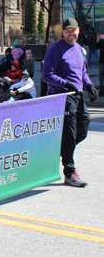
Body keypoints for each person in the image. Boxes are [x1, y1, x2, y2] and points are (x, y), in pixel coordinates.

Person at [42, 17, 97, 187]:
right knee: (69, 134)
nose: (71, 34)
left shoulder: (79, 49)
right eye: (68, 31)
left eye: (73, 31)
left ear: (78, 31)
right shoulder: (55, 50)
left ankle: (59, 152)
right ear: (63, 32)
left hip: (78, 95)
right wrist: (65, 83)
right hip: (63, 96)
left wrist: (89, 86)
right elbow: (46, 75)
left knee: (83, 128)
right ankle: (69, 173)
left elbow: (82, 73)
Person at [96, 31, 104, 96]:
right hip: (102, 61)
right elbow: (97, 46)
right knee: (100, 76)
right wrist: (98, 39)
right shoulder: (103, 41)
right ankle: (101, 90)